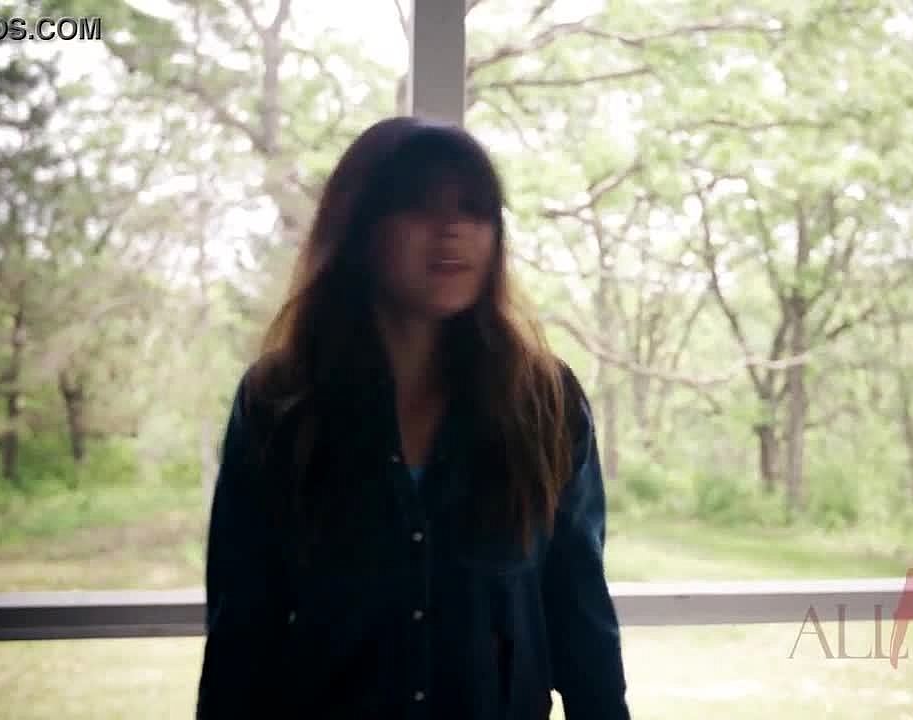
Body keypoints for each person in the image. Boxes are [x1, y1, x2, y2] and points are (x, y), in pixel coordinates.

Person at [196, 116, 630, 719]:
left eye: (474, 209)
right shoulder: (279, 401)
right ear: (359, 227)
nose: (452, 228)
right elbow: (242, 630)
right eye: (420, 205)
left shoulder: (544, 403)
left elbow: (580, 616)